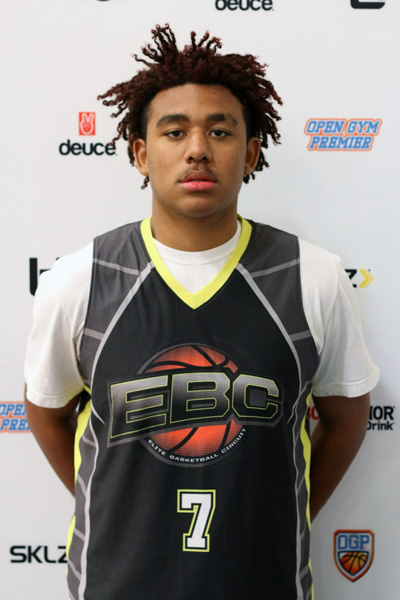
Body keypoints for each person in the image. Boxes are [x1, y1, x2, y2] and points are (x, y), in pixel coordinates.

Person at [24, 24, 379, 600]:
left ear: (251, 152)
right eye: (174, 131)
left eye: (220, 130)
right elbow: (46, 412)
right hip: (118, 585)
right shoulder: (80, 280)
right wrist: (112, 503)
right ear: (141, 154)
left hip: (263, 583)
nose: (197, 149)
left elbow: (346, 419)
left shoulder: (311, 276)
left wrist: (282, 512)